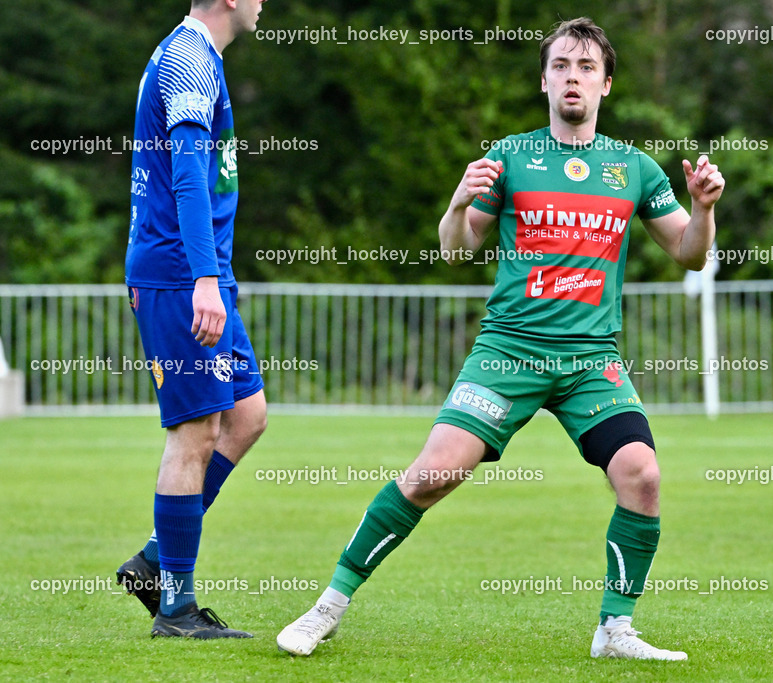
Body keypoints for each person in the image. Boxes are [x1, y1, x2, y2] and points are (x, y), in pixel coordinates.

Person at [277, 17, 723, 660]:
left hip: (589, 362)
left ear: (605, 86)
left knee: (642, 476)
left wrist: (704, 208)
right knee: (432, 475)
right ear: (544, 80)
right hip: (508, 351)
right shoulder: (510, 158)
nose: (574, 77)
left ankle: (615, 631)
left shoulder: (636, 169)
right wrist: (458, 204)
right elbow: (456, 250)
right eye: (562, 65)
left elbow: (689, 254)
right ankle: (327, 608)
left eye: (587, 68)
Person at [117, 0, 268, 639]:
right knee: (195, 432)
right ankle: (175, 607)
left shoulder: (200, 55)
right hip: (184, 276)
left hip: (200, 275)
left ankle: (156, 558)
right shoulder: (188, 55)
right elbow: (186, 177)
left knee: (246, 415)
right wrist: (205, 279)